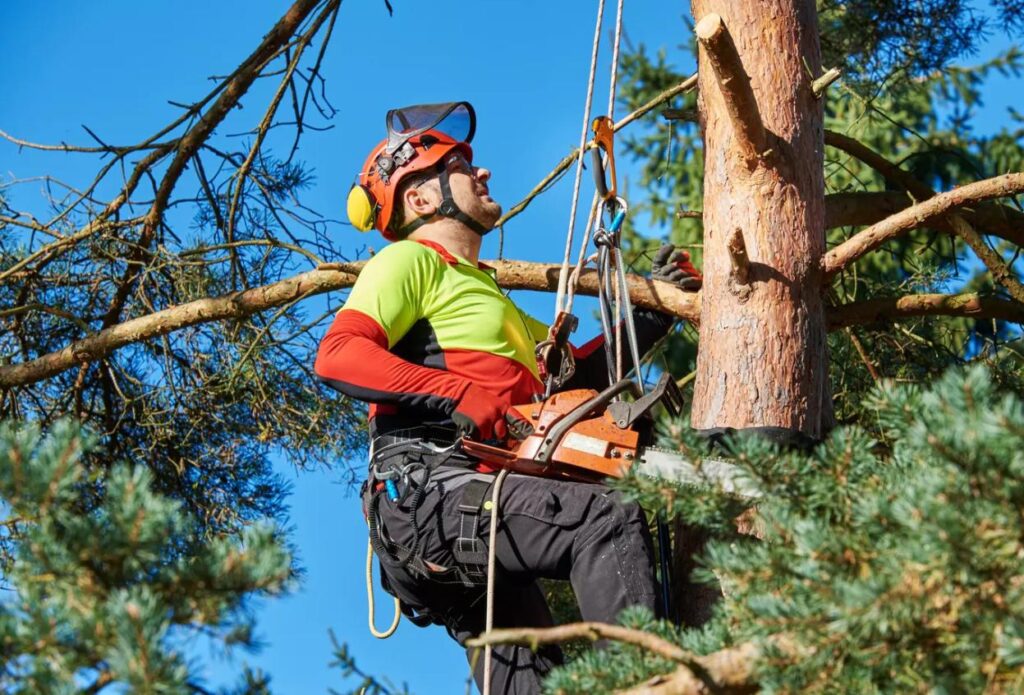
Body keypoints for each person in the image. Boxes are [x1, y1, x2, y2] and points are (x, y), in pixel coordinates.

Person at [315, 102, 701, 694]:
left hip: (468, 508)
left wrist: (644, 321)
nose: (484, 173)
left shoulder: (491, 302)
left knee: (530, 676)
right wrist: (453, 392)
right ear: (420, 199)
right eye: (462, 167)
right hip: (430, 492)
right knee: (603, 518)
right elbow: (339, 354)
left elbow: (573, 384)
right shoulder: (411, 261)